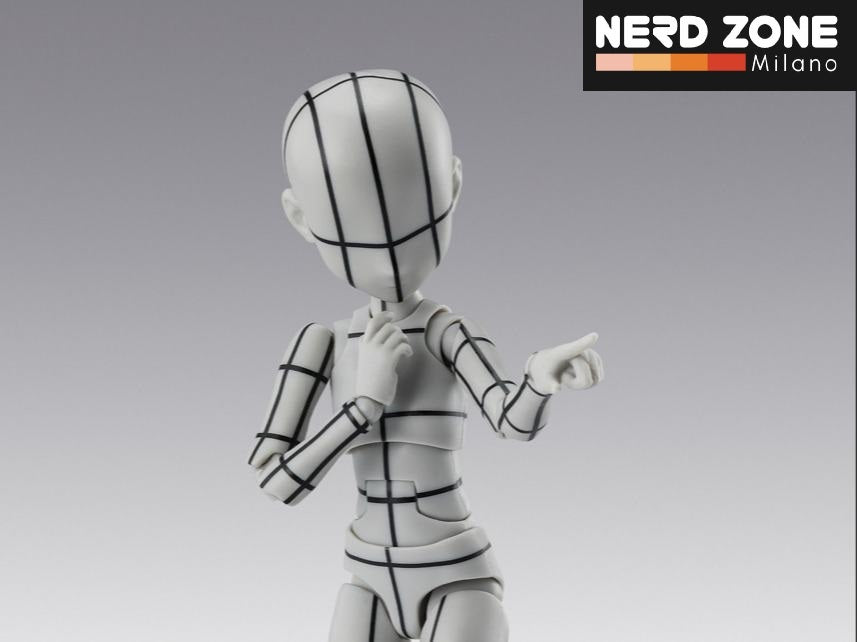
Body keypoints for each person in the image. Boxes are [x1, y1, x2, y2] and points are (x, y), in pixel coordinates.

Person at [248, 70, 604, 642]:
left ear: (452, 187)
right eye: (355, 226)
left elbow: (512, 423)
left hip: (455, 573)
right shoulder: (322, 343)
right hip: (367, 577)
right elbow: (275, 482)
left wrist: (539, 381)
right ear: (302, 219)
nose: (390, 258)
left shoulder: (447, 332)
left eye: (415, 219)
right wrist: (362, 407)